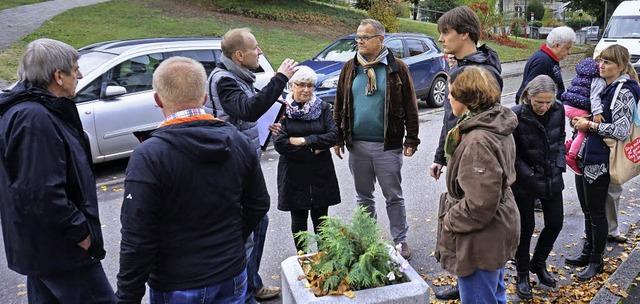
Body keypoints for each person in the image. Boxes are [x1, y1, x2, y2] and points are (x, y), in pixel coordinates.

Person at [116, 56, 270, 303]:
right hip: (230, 273)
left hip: (177, 281)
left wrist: (127, 296)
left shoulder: (149, 155)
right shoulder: (238, 141)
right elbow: (258, 204)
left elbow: (137, 235)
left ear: (158, 99)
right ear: (205, 98)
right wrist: (230, 241)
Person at [0, 38, 115, 303]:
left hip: (45, 251)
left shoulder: (38, 112)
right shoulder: (34, 118)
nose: (80, 74)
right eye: (75, 69)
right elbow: (40, 192)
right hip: (61, 252)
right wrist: (82, 235)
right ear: (58, 76)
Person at [208, 27, 298, 303]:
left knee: (258, 221)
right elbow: (248, 109)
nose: (260, 51)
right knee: (247, 228)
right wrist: (280, 77)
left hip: (243, 160)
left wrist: (269, 116)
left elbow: (249, 112)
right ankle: (242, 293)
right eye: (255, 47)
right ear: (239, 54)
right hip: (229, 165)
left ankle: (252, 284)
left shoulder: (238, 76)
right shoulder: (224, 80)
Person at [428, 6, 503, 300]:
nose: (442, 39)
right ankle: (467, 281)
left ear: (465, 34)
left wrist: (450, 219)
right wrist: (439, 156)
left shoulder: (477, 72)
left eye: (446, 33)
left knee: (471, 224)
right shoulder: (468, 63)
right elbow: (450, 120)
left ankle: (471, 280)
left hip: (471, 160)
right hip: (459, 154)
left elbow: (464, 123)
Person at [332, 18, 420, 260]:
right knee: (363, 197)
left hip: (387, 146)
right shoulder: (350, 68)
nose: (359, 41)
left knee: (393, 196)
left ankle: (400, 241)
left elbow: (411, 106)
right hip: (356, 145)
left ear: (380, 39)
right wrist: (337, 137)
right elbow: (339, 104)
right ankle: (368, 239)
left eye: (364, 37)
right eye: (357, 37)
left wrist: (411, 139)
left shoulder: (397, 68)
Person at [435, 65, 520, 304]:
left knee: (479, 297)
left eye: (453, 93)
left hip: (481, 237)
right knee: (494, 292)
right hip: (496, 228)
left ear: (467, 99)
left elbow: (479, 204)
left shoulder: (478, 141)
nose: (449, 97)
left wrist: (449, 220)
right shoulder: (495, 122)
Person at [567, 44, 640, 281]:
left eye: (607, 62)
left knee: (597, 213)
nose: (601, 66)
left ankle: (596, 261)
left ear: (620, 66)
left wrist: (590, 125)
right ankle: (587, 252)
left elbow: (620, 130)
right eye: (601, 61)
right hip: (586, 157)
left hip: (601, 160)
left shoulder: (624, 91)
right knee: (588, 211)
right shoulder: (604, 86)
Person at [273, 66, 340, 252]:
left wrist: (304, 140)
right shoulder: (282, 111)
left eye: (310, 85)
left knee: (321, 220)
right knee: (298, 219)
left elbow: (334, 135)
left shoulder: (323, 107)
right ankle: (302, 257)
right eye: (301, 85)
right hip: (293, 174)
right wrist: (314, 149)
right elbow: (281, 144)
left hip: (320, 173)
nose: (306, 90)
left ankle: (324, 259)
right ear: (291, 85)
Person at [511, 75, 566, 299]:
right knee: (525, 229)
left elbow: (560, 138)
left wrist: (560, 163)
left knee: (555, 223)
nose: (544, 107)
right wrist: (529, 175)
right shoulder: (516, 115)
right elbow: (512, 155)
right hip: (525, 181)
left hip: (552, 175)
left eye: (548, 102)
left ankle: (538, 262)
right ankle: (522, 273)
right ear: (528, 97)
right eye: (539, 102)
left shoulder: (558, 109)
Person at [562, 58, 606, 175]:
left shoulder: (581, 74)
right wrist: (596, 112)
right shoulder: (598, 79)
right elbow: (594, 97)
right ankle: (572, 156)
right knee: (583, 132)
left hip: (568, 104)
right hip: (579, 108)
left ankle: (568, 145)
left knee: (577, 130)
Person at [515, 26, 576, 103]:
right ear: (557, 45)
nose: (569, 52)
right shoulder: (542, 61)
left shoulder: (549, 58)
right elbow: (527, 93)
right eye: (567, 48)